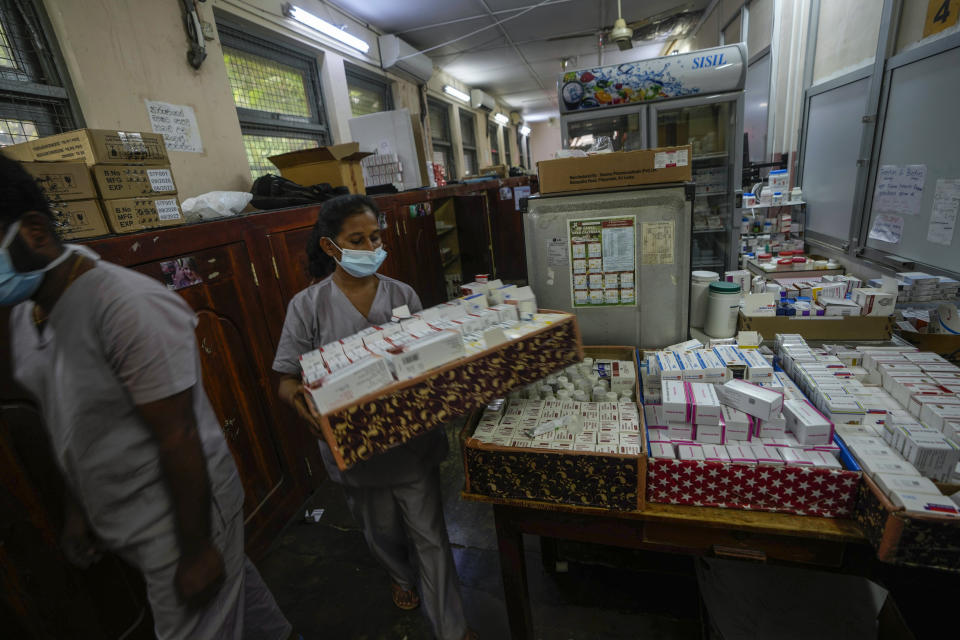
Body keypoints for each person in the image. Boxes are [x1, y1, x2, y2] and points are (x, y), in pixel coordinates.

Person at [0, 156, 293, 640]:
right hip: (128, 514)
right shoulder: (26, 316)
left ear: (33, 232)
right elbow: (67, 421)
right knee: (242, 602)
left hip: (180, 521)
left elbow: (178, 435)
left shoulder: (125, 306)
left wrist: (197, 549)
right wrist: (79, 511)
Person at [272, 194, 473, 640]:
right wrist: (300, 404)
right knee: (381, 533)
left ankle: (452, 629)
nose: (370, 247)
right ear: (331, 247)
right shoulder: (307, 307)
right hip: (355, 454)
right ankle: (400, 576)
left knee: (431, 537)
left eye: (375, 237)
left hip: (410, 445)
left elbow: (429, 359)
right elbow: (286, 378)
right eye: (357, 240)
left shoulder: (403, 295)